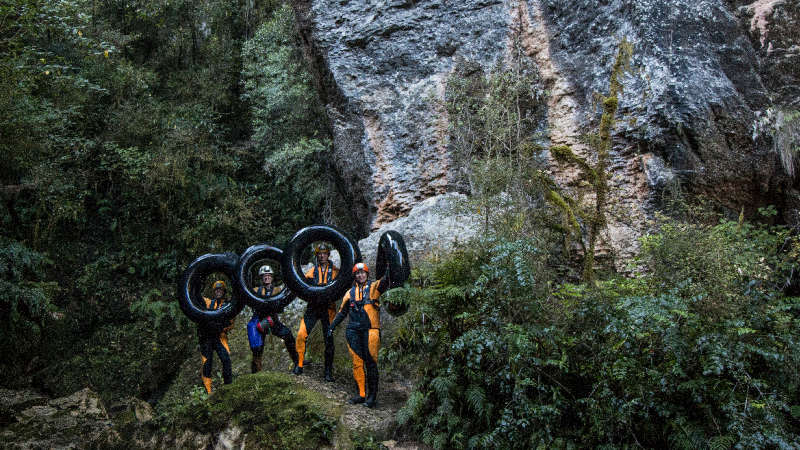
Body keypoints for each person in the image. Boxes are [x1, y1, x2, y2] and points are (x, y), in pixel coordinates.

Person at [328, 262, 389, 408]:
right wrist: (331, 327)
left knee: (371, 363)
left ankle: (372, 397)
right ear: (354, 276)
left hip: (370, 330)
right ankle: (361, 394)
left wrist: (388, 264)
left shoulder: (375, 287)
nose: (360, 275)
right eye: (357, 273)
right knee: (357, 362)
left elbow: (387, 279)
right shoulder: (349, 293)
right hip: (353, 331)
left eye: (363, 273)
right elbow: (342, 312)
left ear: (367, 274)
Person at [293, 243, 339, 381]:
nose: (322, 255)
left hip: (328, 309)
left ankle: (328, 372)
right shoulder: (312, 272)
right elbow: (302, 285)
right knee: (301, 334)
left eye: (324, 253)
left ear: (328, 254)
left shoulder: (337, 272)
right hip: (313, 308)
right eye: (319, 253)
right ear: (317, 255)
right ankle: (299, 365)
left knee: (329, 340)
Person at [247, 265, 299, 373]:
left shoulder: (277, 290)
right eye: (264, 276)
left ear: (272, 277)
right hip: (260, 321)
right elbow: (250, 299)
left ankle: (297, 362)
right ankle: (255, 372)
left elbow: (282, 304)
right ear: (261, 278)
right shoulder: (256, 290)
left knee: (288, 335)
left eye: (268, 275)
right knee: (257, 348)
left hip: (273, 320)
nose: (266, 277)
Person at [198, 280, 235, 394]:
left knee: (226, 359)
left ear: (224, 291)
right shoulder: (209, 303)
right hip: (207, 337)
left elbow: (231, 324)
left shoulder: (229, 305)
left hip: (220, 336)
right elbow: (197, 297)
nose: (219, 291)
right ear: (214, 292)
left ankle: (228, 387)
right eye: (217, 290)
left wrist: (222, 327)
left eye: (221, 290)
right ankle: (208, 391)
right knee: (207, 363)